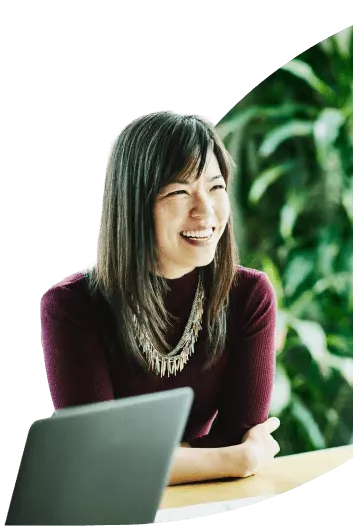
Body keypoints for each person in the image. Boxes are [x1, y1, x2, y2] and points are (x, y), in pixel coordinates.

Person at [39, 111, 281, 485]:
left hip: (207, 503)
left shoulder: (249, 296)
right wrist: (239, 459)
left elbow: (236, 434)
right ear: (135, 203)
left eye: (216, 187)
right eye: (180, 192)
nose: (206, 211)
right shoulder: (71, 308)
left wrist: (140, 461)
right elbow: (96, 462)